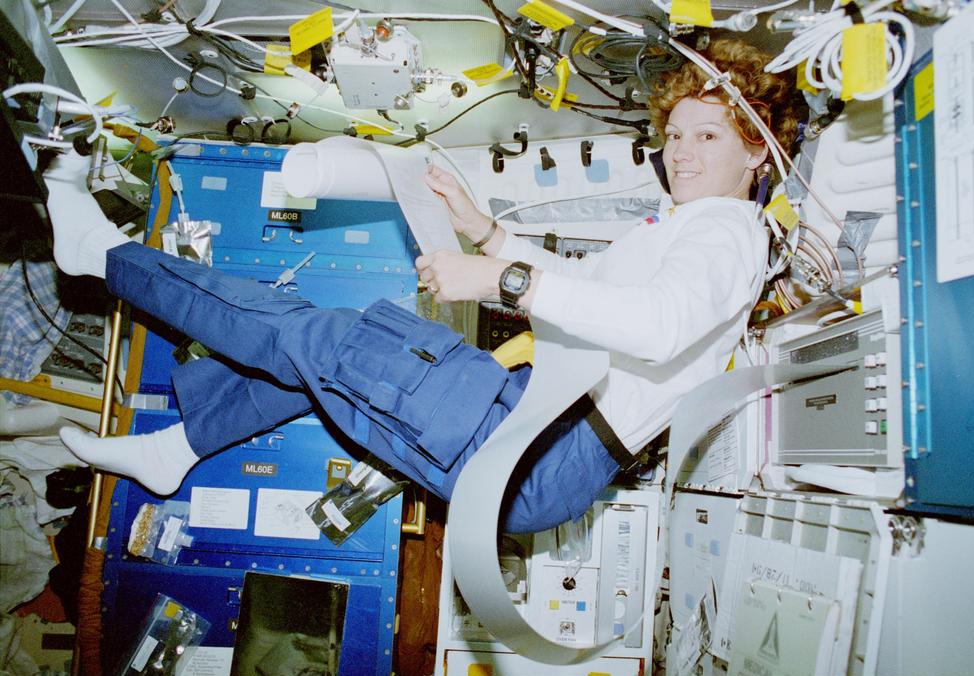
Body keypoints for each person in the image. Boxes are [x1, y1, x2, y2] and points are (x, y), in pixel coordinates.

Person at [47, 39, 803, 533]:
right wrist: (489, 233)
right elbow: (592, 289)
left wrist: (500, 279)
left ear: (759, 151)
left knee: (300, 333)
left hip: (543, 443)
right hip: (537, 435)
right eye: (675, 134)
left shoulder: (728, 231)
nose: (682, 152)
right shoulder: (687, 226)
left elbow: (657, 326)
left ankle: (100, 254)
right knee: (325, 352)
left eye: (708, 135)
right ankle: (178, 445)